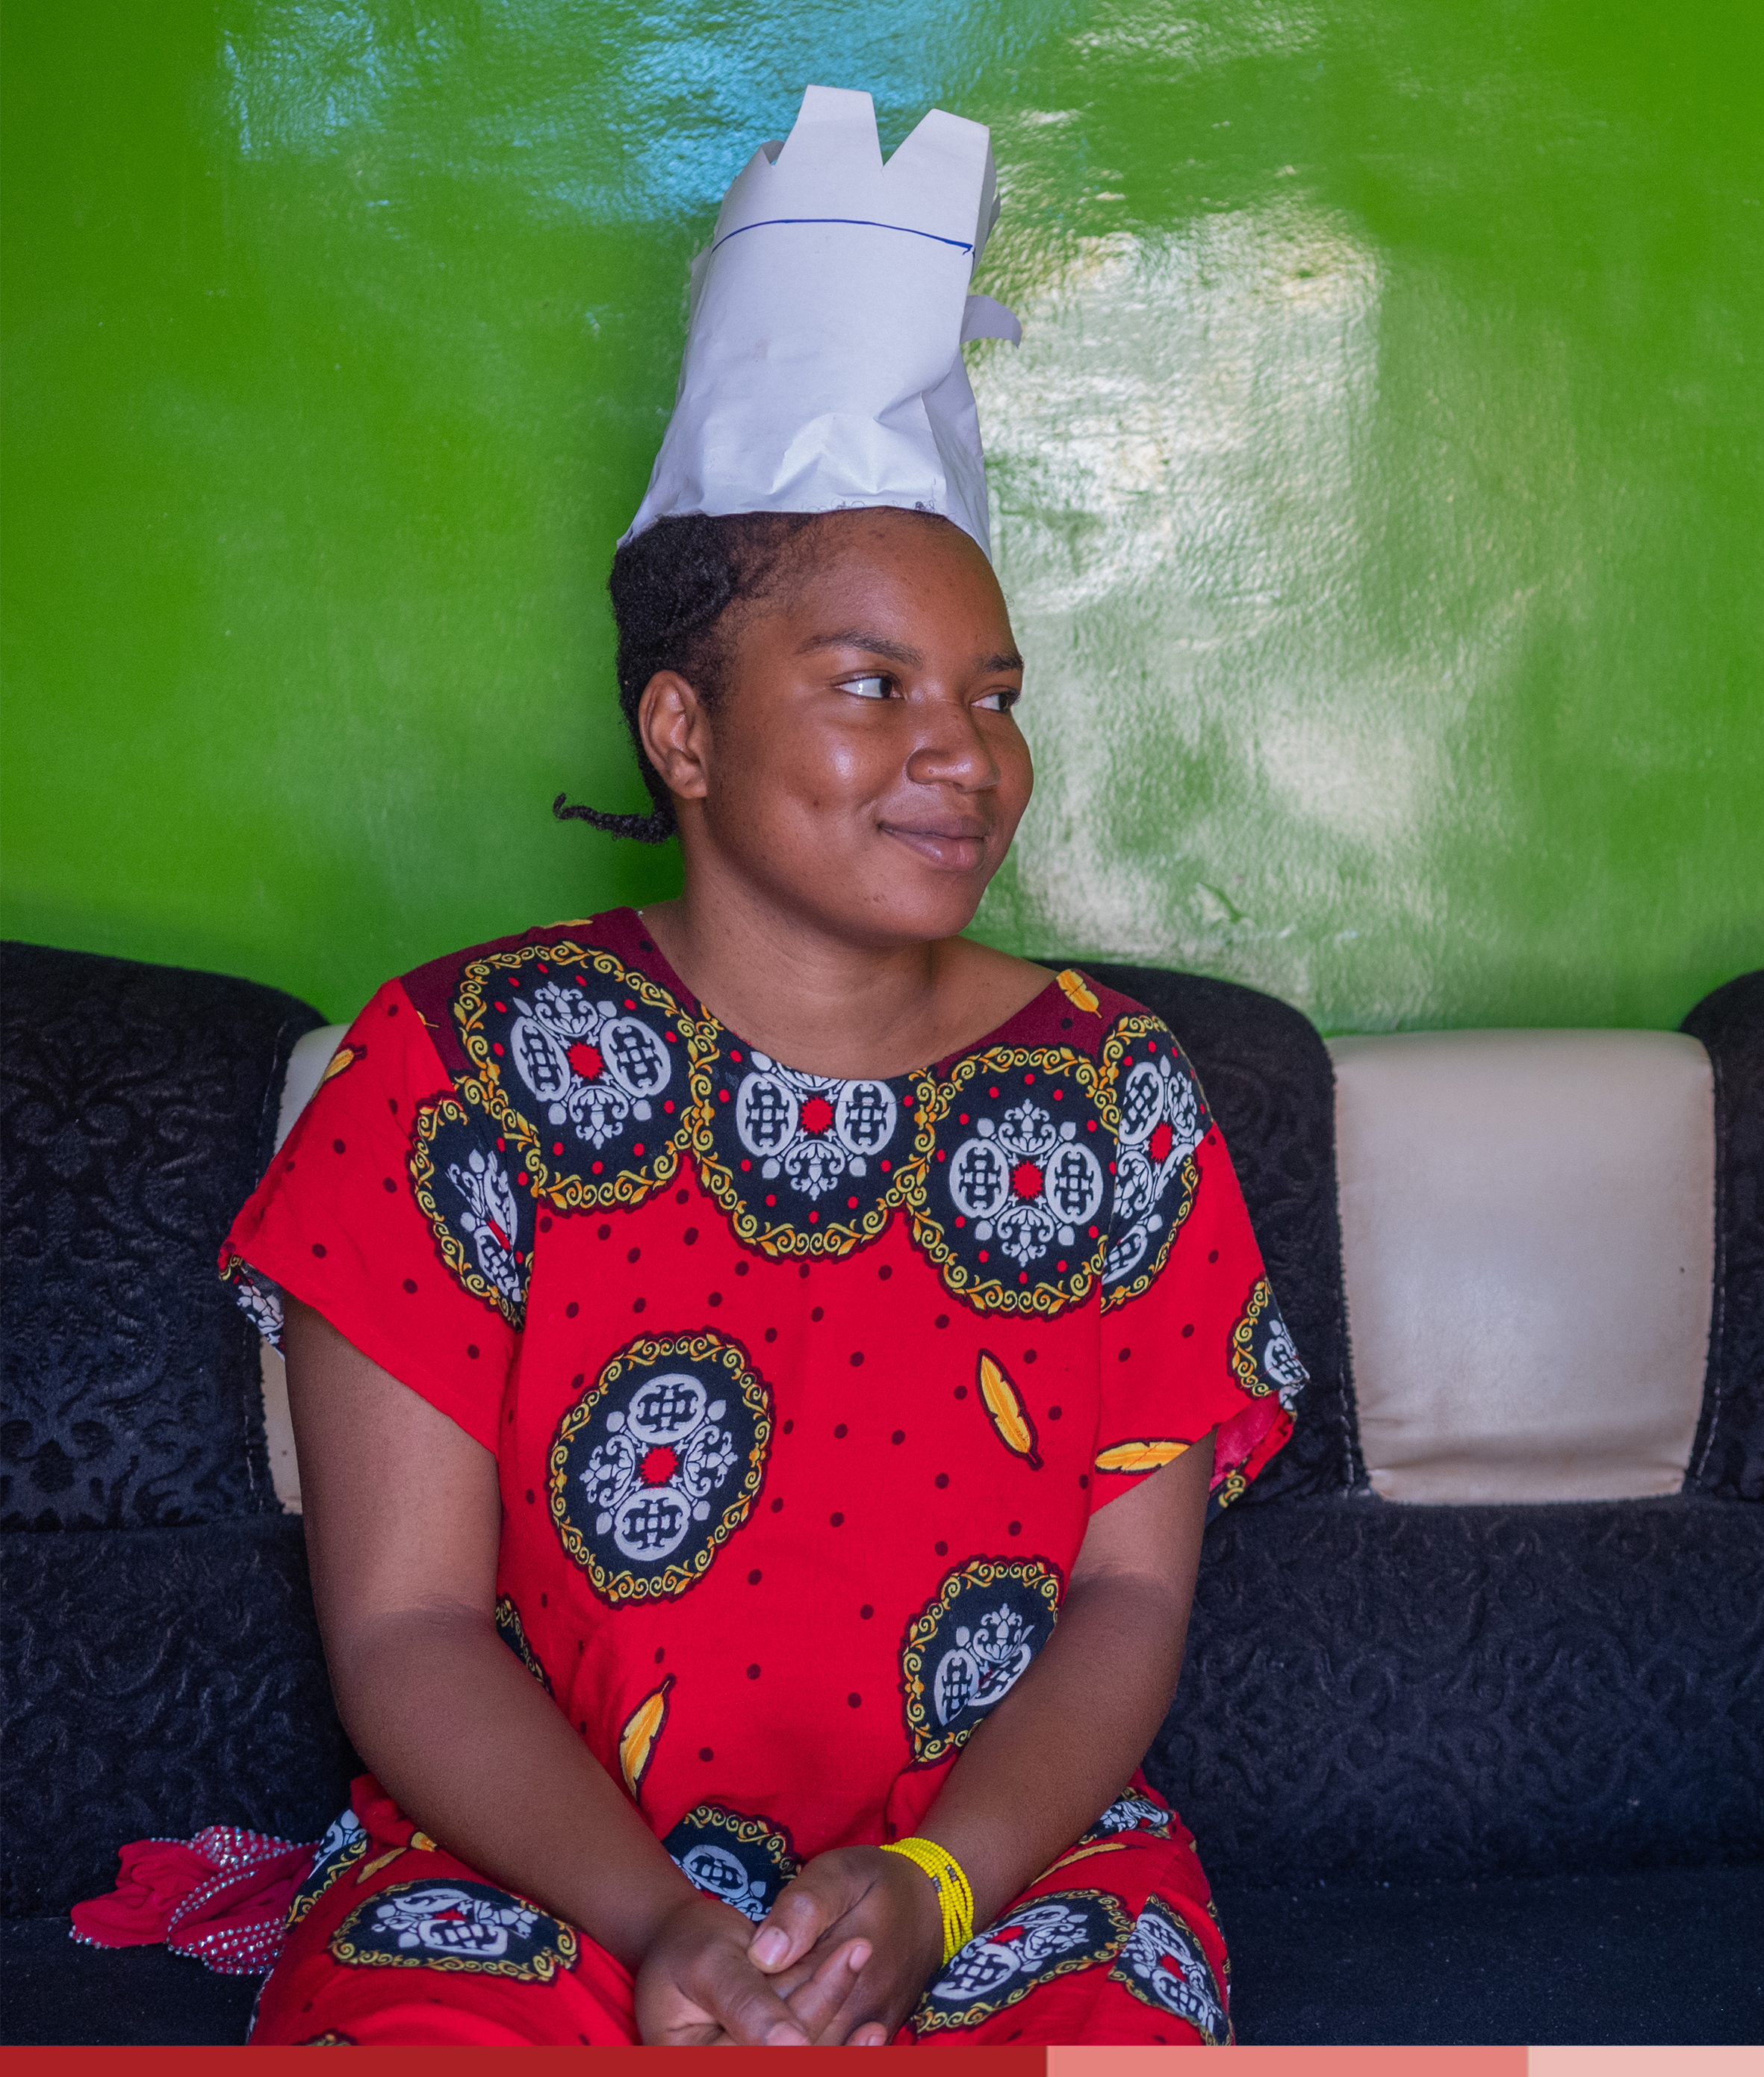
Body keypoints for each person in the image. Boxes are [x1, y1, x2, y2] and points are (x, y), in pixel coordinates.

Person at [220, 87, 1303, 2046]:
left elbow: (1129, 1605)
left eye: (992, 695)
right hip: (527, 1872)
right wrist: (659, 1921)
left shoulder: (1120, 1093)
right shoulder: (451, 1067)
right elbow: (401, 1624)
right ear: (684, 729)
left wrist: (934, 1881)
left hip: (1002, 1873)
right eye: (872, 683)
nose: (966, 753)